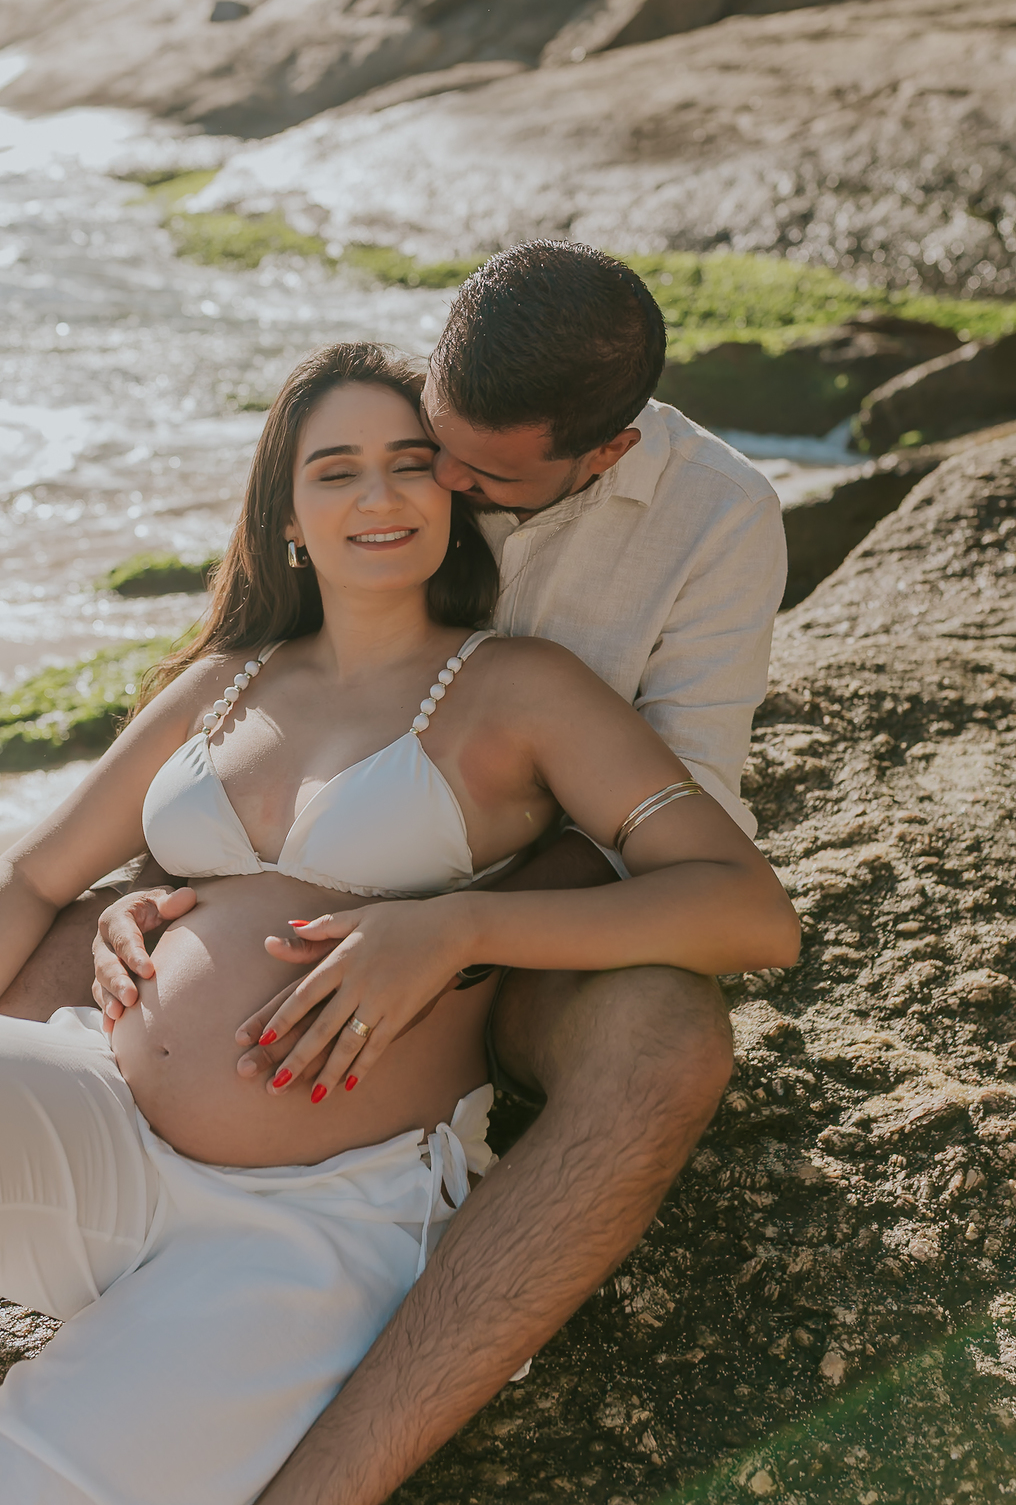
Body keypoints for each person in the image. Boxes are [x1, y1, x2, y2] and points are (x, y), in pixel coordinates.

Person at [0, 336, 797, 1505]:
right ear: (286, 513)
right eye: (336, 470)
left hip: (310, 1218)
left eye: (409, 464)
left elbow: (747, 911)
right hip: (103, 1130)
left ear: (456, 493)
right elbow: (28, 877)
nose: (379, 495)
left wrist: (457, 932)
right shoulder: (225, 678)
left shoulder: (523, 685)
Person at [83, 241, 792, 1505]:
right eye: (433, 448)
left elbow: (687, 829)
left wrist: (456, 930)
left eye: (481, 473)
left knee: (666, 1042)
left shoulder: (718, 520)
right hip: (292, 878)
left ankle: (337, 1478)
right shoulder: (425, 412)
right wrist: (175, 868)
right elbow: (278, 665)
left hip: (534, 915)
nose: (439, 485)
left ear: (606, 453)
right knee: (52, 930)